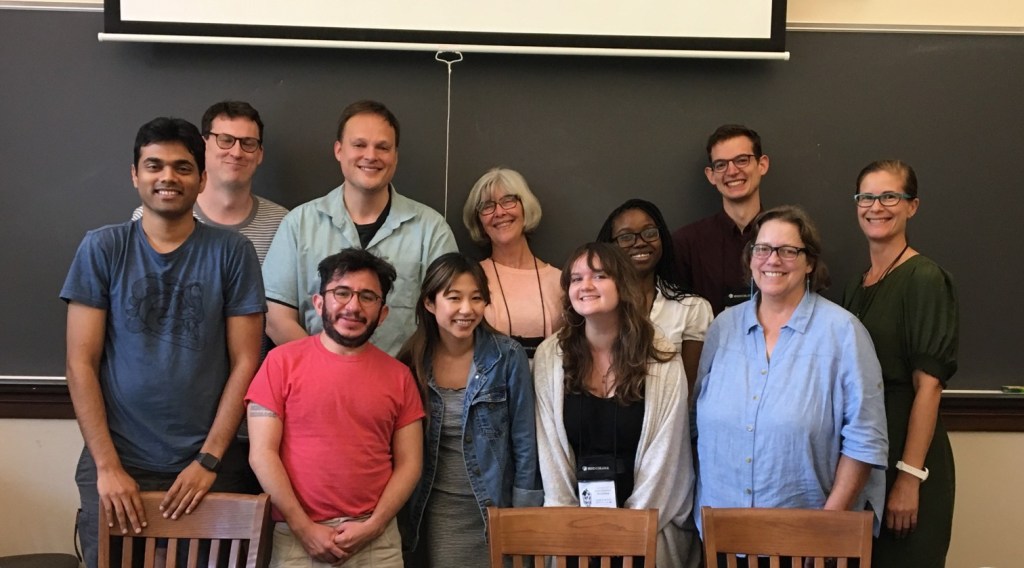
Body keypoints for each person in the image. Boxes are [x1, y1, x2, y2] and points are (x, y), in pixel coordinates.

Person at [61, 117, 266, 568]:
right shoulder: (102, 248)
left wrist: (209, 460)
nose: (168, 177)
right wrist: (109, 468)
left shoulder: (232, 252)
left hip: (210, 467)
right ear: (135, 174)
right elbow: (80, 363)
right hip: (118, 466)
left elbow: (247, 361)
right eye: (154, 165)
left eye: (182, 167)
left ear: (201, 178)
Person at [694, 206, 889, 557]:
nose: (773, 260)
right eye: (763, 249)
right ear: (750, 258)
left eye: (788, 250)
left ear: (809, 262)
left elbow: (865, 440)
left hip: (809, 546)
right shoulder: (722, 328)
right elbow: (697, 423)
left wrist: (823, 530)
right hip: (724, 540)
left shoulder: (842, 333)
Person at [246, 249, 424, 567]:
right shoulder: (280, 363)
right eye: (342, 293)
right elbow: (261, 454)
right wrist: (304, 528)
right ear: (319, 302)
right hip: (296, 537)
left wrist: (375, 525)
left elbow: (410, 463)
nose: (353, 306)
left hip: (377, 541)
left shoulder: (400, 376)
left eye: (367, 297)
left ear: (382, 313)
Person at [534, 242, 697, 568]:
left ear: (622, 284)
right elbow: (551, 456)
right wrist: (574, 531)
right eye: (576, 279)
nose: (586, 286)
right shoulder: (550, 357)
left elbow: (667, 462)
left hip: (649, 531)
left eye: (599, 276)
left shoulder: (661, 358)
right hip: (574, 536)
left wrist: (627, 534)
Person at [262, 100, 458, 356]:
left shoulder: (431, 230)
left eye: (383, 147)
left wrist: (392, 377)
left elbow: (449, 318)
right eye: (359, 145)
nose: (371, 156)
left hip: (403, 385)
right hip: (315, 386)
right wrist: (330, 370)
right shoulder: (298, 224)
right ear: (339, 150)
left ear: (395, 156)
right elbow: (276, 319)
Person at [841, 161, 958, 568]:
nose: (877, 207)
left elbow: (929, 387)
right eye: (867, 197)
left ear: (912, 206)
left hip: (907, 462)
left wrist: (909, 477)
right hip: (863, 459)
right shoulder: (857, 286)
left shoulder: (924, 278)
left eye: (890, 196)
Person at [397, 252, 542, 567]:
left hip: (495, 510)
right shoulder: (411, 361)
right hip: (433, 514)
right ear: (430, 303)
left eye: (477, 298)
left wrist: (522, 517)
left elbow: (524, 442)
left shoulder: (507, 356)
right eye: (454, 298)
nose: (467, 309)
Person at [132, 100, 289, 263]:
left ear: (260, 154)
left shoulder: (283, 223)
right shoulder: (150, 216)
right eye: (226, 140)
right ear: (203, 145)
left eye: (248, 143)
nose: (236, 153)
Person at [596, 198, 712, 391]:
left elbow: (690, 390)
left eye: (649, 233)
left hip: (670, 418)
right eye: (626, 237)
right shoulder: (594, 305)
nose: (640, 243)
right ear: (610, 246)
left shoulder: (692, 308)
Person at [462, 167, 563, 358]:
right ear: (479, 221)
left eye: (508, 201)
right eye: (487, 206)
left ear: (525, 206)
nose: (499, 212)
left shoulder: (561, 281)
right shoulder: (472, 279)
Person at [672, 124, 769, 315]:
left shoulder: (790, 238)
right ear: (711, 175)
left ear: (762, 165)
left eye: (742, 160)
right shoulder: (686, 244)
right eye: (721, 164)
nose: (732, 171)